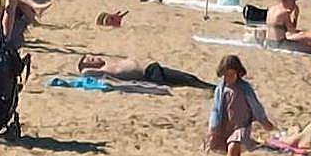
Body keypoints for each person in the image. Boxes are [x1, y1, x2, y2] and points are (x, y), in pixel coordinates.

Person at [207, 55, 274, 156]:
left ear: (238, 73)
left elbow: (256, 106)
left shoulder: (245, 88)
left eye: (231, 74)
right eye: (225, 75)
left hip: (242, 125)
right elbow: (215, 109)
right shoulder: (220, 89)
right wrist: (213, 127)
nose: (228, 78)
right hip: (226, 125)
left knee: (233, 147)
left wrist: (263, 121)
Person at [78, 55, 212, 88]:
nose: (96, 58)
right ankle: (213, 88)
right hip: (150, 74)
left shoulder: (108, 66)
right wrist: (84, 66)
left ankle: (212, 87)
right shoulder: (100, 72)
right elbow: (84, 73)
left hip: (153, 69)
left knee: (189, 78)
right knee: (187, 80)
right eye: (91, 59)